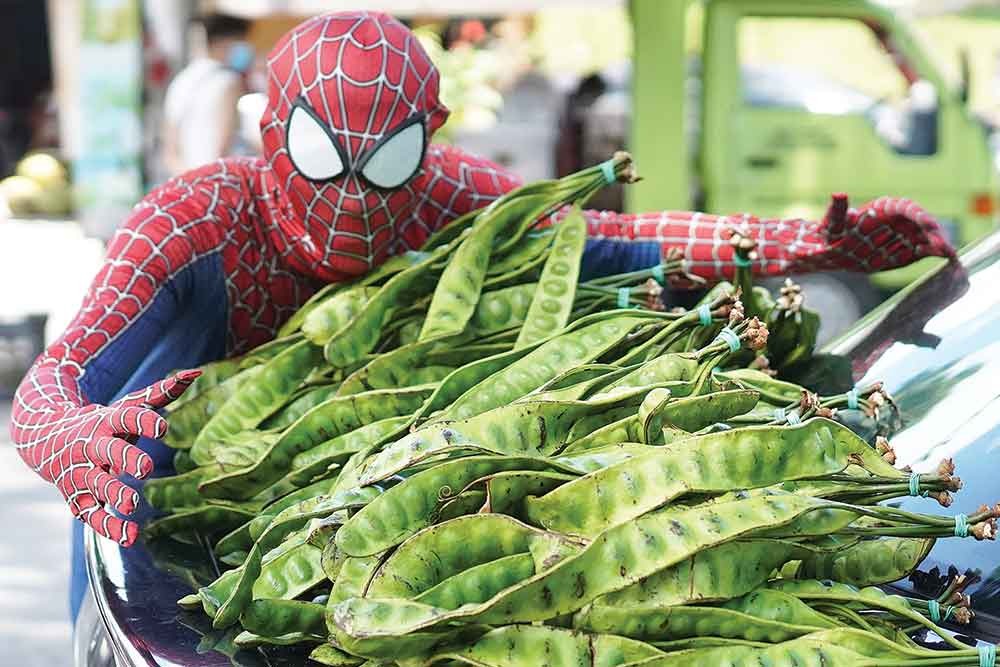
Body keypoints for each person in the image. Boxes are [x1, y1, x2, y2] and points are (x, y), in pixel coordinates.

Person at [8, 11, 954, 620]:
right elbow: (57, 374)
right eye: (318, 150)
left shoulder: (446, 198)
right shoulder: (195, 220)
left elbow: (613, 237)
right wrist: (64, 432)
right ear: (270, 132)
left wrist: (797, 246)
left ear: (427, 142)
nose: (351, 195)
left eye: (384, 159)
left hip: (358, 555)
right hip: (149, 532)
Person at [161, 13, 255, 176]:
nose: (246, 48)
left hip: (186, 182)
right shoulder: (229, 80)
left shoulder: (181, 80)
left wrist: (189, 179)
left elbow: (169, 151)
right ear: (221, 43)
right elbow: (223, 145)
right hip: (216, 182)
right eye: (240, 41)